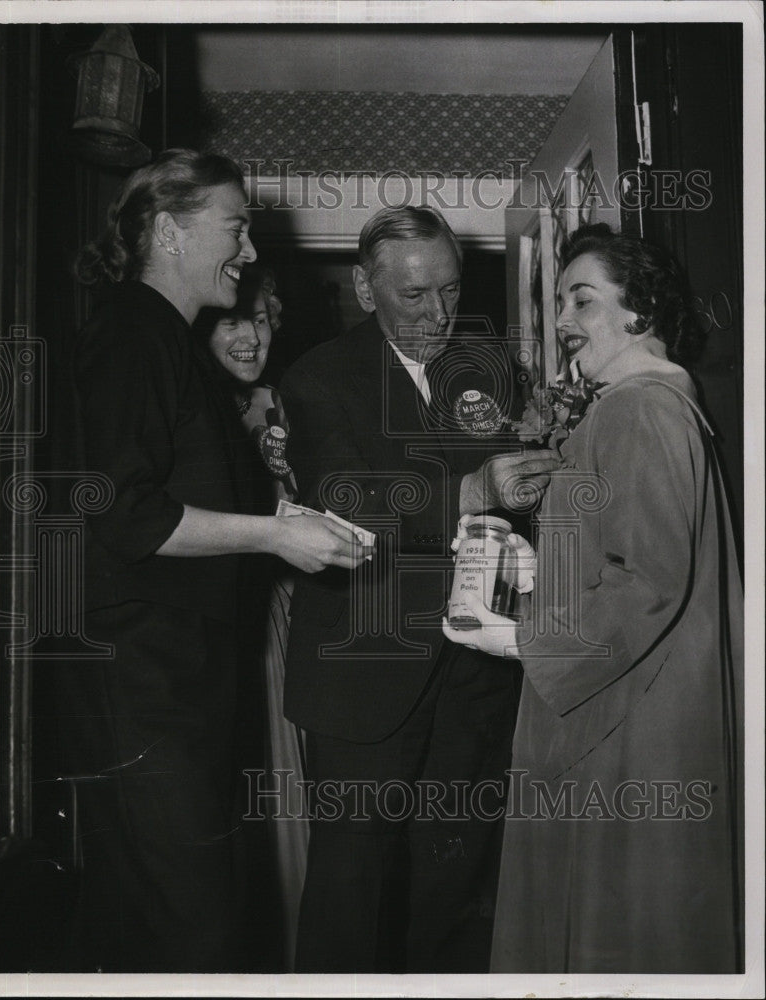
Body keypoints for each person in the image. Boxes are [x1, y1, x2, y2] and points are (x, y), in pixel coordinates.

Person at [62, 149, 371, 973]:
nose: (247, 251)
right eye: (235, 227)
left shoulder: (165, 339)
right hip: (143, 681)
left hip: (175, 676)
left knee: (186, 914)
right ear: (168, 229)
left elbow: (186, 495)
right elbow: (127, 516)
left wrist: (289, 516)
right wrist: (273, 536)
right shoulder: (132, 330)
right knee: (183, 924)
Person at [445, 224, 744, 973]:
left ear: (639, 308)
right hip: (628, 697)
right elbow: (625, 558)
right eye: (559, 301)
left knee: (620, 925)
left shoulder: (637, 408)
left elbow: (648, 579)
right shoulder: (648, 405)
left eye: (582, 299)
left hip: (627, 716)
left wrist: (517, 639)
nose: (563, 320)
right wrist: (532, 566)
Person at [279, 205, 560, 973]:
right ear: (367, 291)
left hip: (472, 672)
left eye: (450, 290)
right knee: (350, 887)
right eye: (415, 296)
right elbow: (343, 499)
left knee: (452, 874)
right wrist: (469, 490)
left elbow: (513, 488)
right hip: (363, 675)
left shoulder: (486, 364)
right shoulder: (316, 378)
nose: (439, 313)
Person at [193, 266, 307, 971]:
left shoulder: (283, 405)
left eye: (261, 319)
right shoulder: (194, 409)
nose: (249, 335)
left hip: (277, 613)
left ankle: (295, 961)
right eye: (233, 320)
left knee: (284, 781)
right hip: (212, 623)